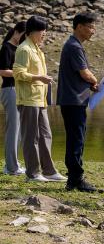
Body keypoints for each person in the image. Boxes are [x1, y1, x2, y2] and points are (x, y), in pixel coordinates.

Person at [12, 16, 66, 182]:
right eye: (42, 30)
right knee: (31, 137)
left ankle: (49, 171)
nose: (45, 33)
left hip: (40, 99)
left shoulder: (36, 48)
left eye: (45, 30)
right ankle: (32, 173)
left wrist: (42, 79)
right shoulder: (24, 49)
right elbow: (18, 73)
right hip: (28, 100)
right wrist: (39, 78)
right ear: (32, 31)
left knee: (45, 135)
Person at [57, 13, 100, 192]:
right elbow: (84, 72)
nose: (93, 31)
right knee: (76, 139)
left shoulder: (74, 45)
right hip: (73, 100)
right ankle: (75, 179)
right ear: (80, 27)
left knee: (76, 138)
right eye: (90, 27)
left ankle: (74, 177)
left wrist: (89, 83)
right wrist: (94, 81)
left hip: (74, 99)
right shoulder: (74, 46)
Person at [1, 21, 26, 175]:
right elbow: (3, 71)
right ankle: (11, 167)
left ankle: (13, 163)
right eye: (24, 35)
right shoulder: (6, 48)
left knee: (19, 129)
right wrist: (21, 73)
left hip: (19, 90)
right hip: (9, 89)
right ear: (17, 32)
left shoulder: (19, 49)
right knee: (13, 129)